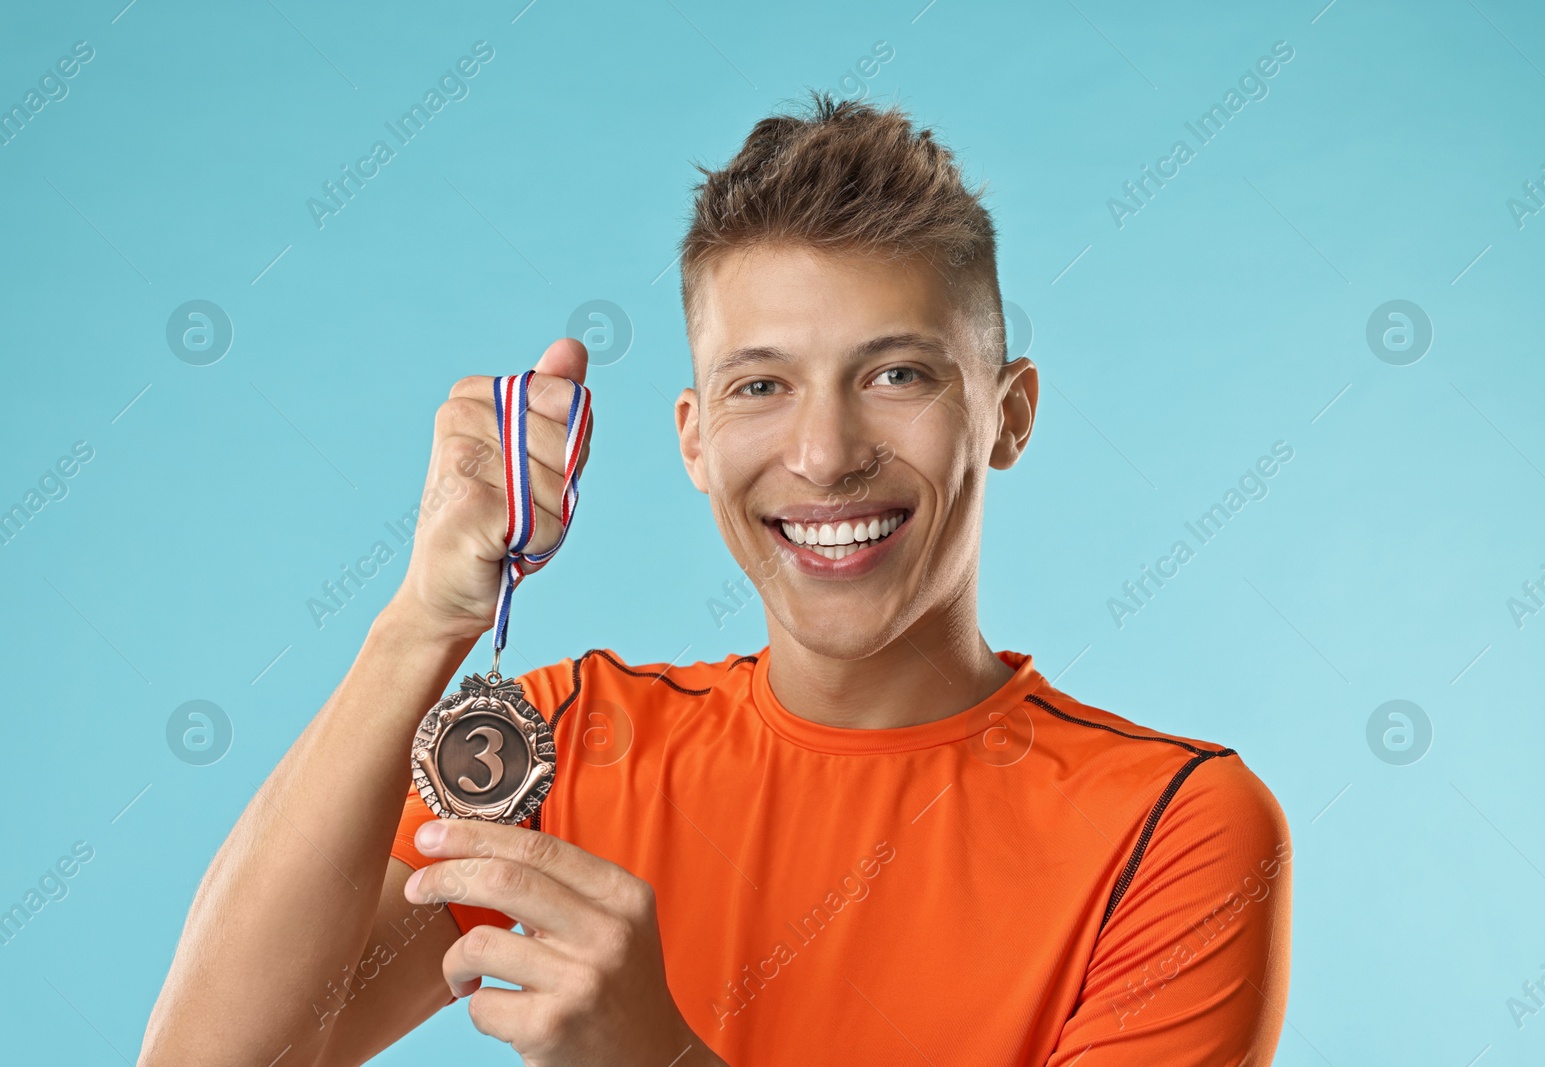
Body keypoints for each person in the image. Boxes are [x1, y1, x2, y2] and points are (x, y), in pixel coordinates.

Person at [142, 92, 1290, 1066]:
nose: (826, 452)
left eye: (894, 373)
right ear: (692, 439)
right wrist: (421, 624)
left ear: (1009, 414)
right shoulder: (563, 745)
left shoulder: (1175, 828)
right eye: (760, 386)